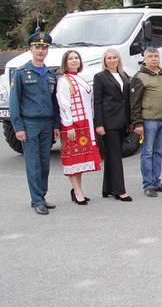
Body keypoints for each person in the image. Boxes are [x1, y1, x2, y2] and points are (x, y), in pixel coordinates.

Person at [9, 31, 61, 215]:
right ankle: (37, 199)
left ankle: (41, 196)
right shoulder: (21, 73)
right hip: (30, 124)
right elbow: (14, 103)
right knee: (33, 163)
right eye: (37, 47)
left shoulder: (50, 74)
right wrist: (18, 128)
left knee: (44, 163)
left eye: (44, 47)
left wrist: (56, 125)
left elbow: (54, 102)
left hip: (47, 124)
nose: (41, 50)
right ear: (31, 49)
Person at [56, 49, 101, 205]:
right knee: (73, 160)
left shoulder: (80, 79)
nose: (74, 61)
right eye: (71, 59)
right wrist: (69, 126)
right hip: (74, 125)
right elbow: (64, 104)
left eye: (76, 58)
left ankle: (78, 190)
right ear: (65, 62)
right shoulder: (64, 81)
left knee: (80, 160)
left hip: (86, 123)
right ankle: (77, 191)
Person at [130, 47, 162, 198]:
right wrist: (137, 123)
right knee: (147, 153)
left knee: (158, 152)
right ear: (145, 59)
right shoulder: (139, 77)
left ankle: (157, 182)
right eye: (150, 56)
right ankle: (148, 185)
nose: (154, 59)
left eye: (156, 56)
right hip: (148, 121)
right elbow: (134, 103)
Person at [93, 49, 132, 202]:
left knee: (111, 155)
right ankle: (120, 191)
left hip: (122, 120)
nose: (112, 60)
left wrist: (129, 121)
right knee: (116, 156)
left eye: (114, 57)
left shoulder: (124, 76)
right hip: (109, 122)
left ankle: (107, 188)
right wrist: (99, 124)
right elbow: (97, 102)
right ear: (104, 60)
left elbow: (126, 100)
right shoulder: (100, 77)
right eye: (109, 58)